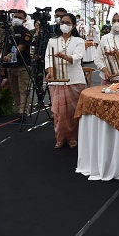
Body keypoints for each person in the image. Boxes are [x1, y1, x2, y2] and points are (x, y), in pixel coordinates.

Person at [44, 13, 85, 148]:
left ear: (73, 26)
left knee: (74, 112)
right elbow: (48, 58)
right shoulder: (52, 41)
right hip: (56, 80)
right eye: (62, 22)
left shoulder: (79, 41)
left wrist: (64, 56)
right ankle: (60, 137)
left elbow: (77, 57)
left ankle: (73, 137)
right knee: (58, 112)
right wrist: (50, 71)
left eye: (67, 23)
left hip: (74, 80)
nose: (64, 25)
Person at [3, 10, 32, 120]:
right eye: (15, 16)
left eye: (19, 17)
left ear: (24, 20)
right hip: (11, 66)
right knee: (14, 90)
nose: (16, 19)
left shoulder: (26, 32)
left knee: (23, 89)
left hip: (22, 64)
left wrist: (11, 55)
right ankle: (18, 108)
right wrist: (4, 63)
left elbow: (22, 46)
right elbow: (5, 46)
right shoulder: (9, 32)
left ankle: (23, 111)